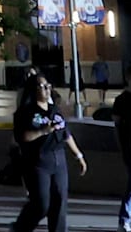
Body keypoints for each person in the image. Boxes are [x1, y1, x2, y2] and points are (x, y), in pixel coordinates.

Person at [12, 74, 87, 232]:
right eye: (41, 86)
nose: (46, 89)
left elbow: (66, 134)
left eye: (48, 86)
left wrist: (78, 155)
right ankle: (20, 228)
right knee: (41, 203)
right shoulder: (25, 112)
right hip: (38, 161)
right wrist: (43, 131)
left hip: (58, 160)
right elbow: (22, 137)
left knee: (59, 202)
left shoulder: (55, 110)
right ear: (33, 90)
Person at [109, 61, 131, 232]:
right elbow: (117, 125)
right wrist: (124, 146)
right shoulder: (122, 100)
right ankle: (124, 219)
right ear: (130, 77)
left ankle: (126, 219)